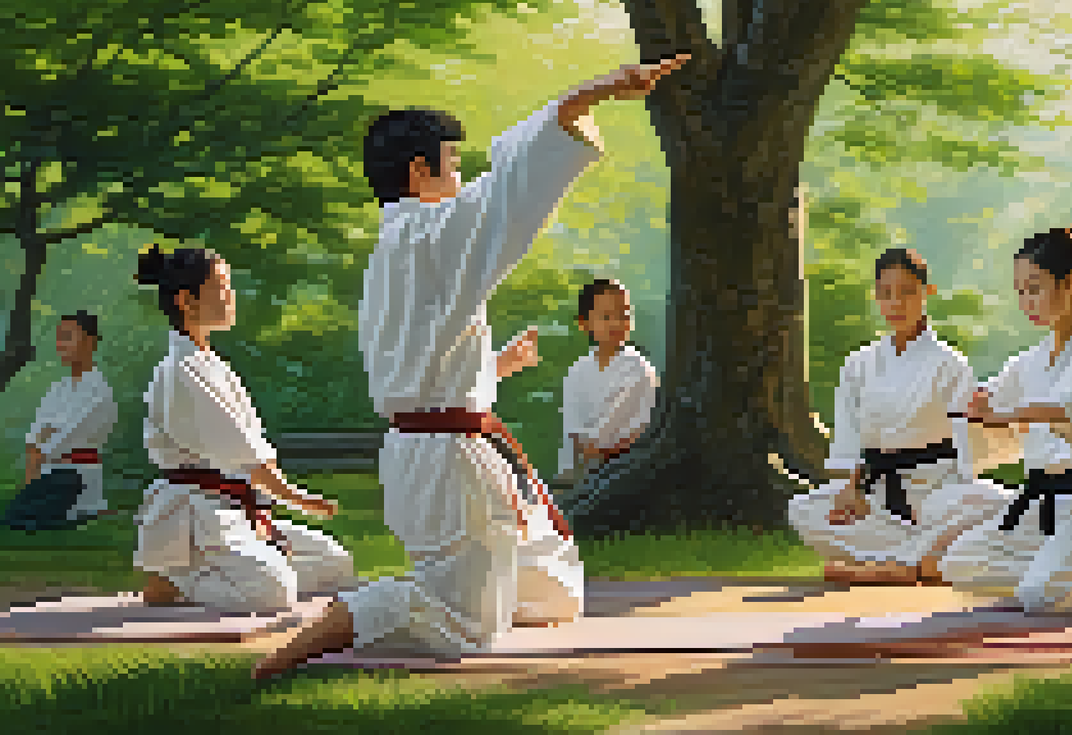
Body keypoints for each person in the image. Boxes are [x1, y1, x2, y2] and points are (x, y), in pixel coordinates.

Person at [251, 55, 690, 679]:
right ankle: (324, 633)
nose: (461, 176)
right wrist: (588, 98)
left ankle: (441, 589)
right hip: (445, 464)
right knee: (464, 627)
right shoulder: (431, 232)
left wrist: (493, 369)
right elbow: (509, 187)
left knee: (553, 591)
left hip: (428, 452)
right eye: (453, 163)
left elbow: (415, 365)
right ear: (419, 170)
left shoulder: (392, 248)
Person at [937, 228, 1072, 613]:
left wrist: (1010, 413)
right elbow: (989, 410)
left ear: (1070, 283)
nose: (1026, 302)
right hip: (1041, 509)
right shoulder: (1029, 362)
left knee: (1042, 598)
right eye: (1020, 291)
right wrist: (977, 407)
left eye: (1034, 288)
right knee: (959, 563)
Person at [133, 246, 354, 612]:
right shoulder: (182, 369)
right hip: (197, 511)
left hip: (232, 506)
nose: (231, 297)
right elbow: (246, 454)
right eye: (221, 286)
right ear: (186, 300)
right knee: (273, 592)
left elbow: (247, 451)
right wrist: (298, 499)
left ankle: (228, 569)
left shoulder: (210, 363)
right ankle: (179, 580)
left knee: (334, 564)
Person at [787, 248, 1011, 585]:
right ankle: (920, 558)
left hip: (937, 491)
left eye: (907, 292)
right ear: (876, 297)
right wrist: (851, 490)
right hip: (874, 494)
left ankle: (887, 564)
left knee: (996, 504)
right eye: (886, 294)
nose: (896, 304)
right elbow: (849, 439)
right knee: (803, 509)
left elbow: (969, 450)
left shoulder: (951, 365)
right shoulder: (858, 365)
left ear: (926, 292)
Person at [3, 311, 118, 530]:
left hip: (76, 475)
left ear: (89, 341)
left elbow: (68, 436)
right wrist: (43, 442)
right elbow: (36, 435)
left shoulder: (99, 391)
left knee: (47, 499)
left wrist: (46, 438)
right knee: (18, 512)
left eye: (67, 337)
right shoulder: (57, 389)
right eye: (59, 337)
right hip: (47, 472)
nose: (60, 344)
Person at [558, 279, 659, 486]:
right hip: (583, 465)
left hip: (625, 466)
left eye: (623, 316)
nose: (616, 323)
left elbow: (637, 431)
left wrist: (596, 450)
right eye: (606, 317)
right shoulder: (577, 370)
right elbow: (572, 426)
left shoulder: (639, 369)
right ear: (584, 323)